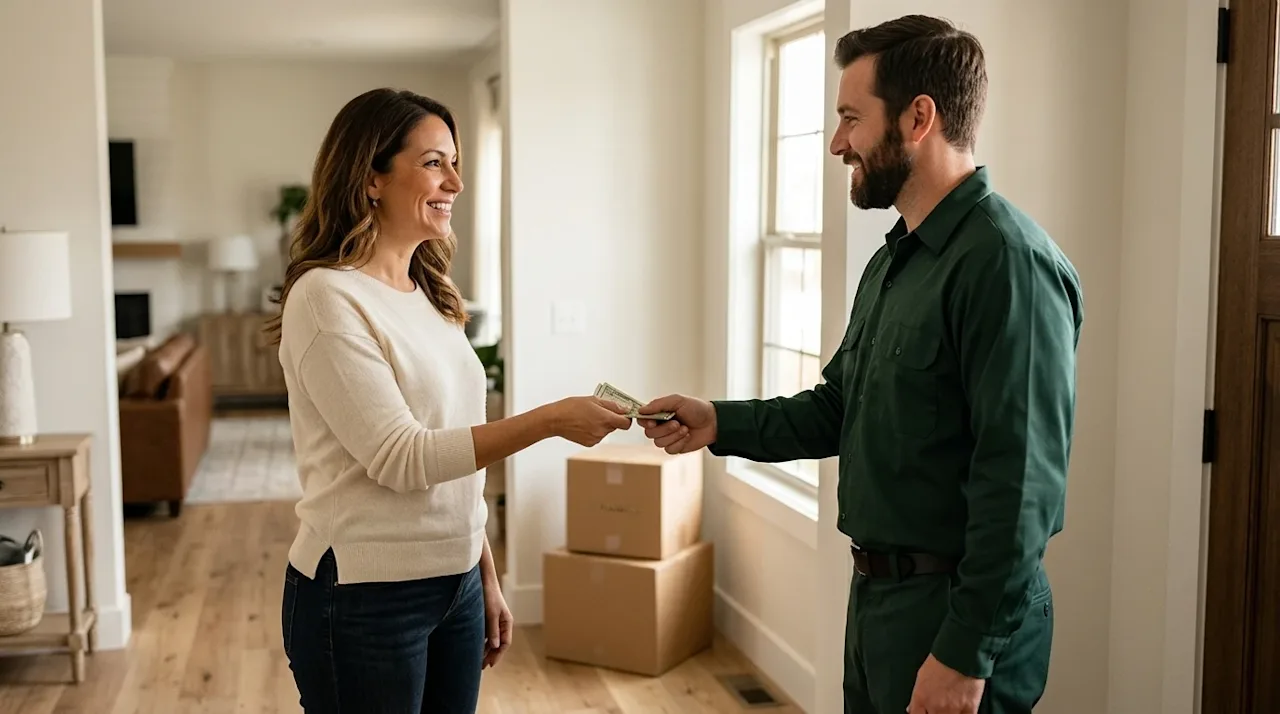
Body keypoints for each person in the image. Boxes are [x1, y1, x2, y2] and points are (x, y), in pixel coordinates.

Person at [639, 15, 1083, 714]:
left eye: (851, 118)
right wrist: (716, 421)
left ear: (918, 118)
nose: (837, 143)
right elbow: (837, 409)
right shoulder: (892, 263)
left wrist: (965, 653)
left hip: (954, 616)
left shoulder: (1007, 264)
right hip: (878, 606)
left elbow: (1021, 482)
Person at [266, 88, 633, 714]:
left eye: (455, 162)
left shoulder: (430, 293)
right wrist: (549, 420)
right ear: (371, 177)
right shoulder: (326, 299)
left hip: (455, 584)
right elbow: (402, 458)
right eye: (435, 162)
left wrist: (482, 570)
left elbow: (453, 447)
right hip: (362, 594)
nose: (456, 182)